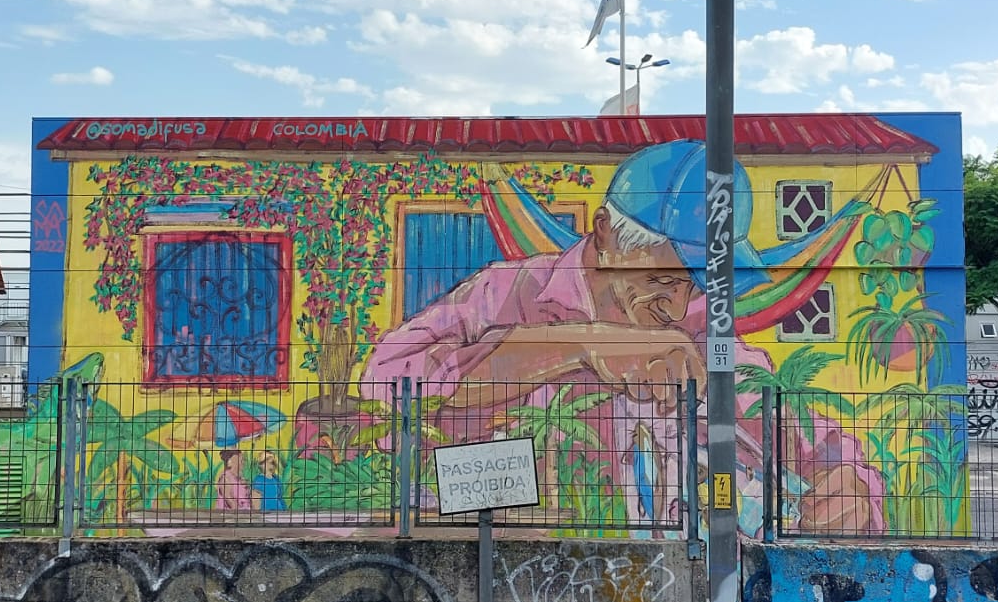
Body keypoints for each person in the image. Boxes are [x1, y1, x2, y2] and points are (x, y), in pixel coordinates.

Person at [366, 140, 885, 534]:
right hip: (505, 567)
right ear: (606, 235)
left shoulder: (701, 327)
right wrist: (578, 345)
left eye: (694, 285)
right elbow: (380, 383)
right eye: (662, 279)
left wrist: (852, 489)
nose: (676, 307)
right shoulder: (507, 291)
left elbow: (798, 429)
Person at [213, 447, 254, 512]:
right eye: (240, 460)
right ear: (230, 462)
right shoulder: (225, 479)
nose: (243, 463)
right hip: (230, 518)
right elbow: (232, 504)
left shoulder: (240, 479)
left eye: (243, 460)